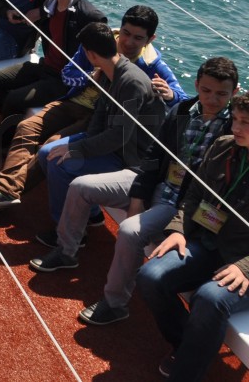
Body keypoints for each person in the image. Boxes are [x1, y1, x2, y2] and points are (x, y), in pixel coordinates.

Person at [32, 57, 236, 324]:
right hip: (155, 181)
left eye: (222, 94)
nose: (212, 99)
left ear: (235, 93)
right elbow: (153, 156)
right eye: (206, 90)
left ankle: (115, 303)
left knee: (130, 231)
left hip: (180, 204)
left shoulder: (236, 128)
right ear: (196, 85)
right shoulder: (183, 110)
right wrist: (138, 198)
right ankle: (66, 251)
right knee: (81, 186)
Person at [0, 6, 187, 211]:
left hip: (98, 115)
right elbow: (67, 73)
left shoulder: (153, 66)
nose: (128, 42)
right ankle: (6, 189)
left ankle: (7, 190)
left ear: (151, 40)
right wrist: (89, 78)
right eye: (126, 33)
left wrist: (170, 95)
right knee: (27, 127)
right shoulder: (100, 41)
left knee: (51, 145)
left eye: (138, 38)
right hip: (73, 102)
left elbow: (184, 102)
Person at [137, 91, 249, 381]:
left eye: (245, 122)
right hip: (209, 241)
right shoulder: (223, 146)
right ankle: (190, 345)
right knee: (151, 275)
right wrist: (179, 229)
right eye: (235, 120)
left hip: (243, 261)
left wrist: (245, 266)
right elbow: (194, 195)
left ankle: (186, 371)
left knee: (209, 298)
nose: (236, 128)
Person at [34, 22, 166, 226]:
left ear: (90, 54)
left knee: (59, 164)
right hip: (111, 145)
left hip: (127, 155)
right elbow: (100, 115)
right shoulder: (107, 72)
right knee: (46, 153)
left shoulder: (132, 84)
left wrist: (78, 149)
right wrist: (81, 141)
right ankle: (92, 215)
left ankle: (64, 227)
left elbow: (119, 136)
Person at [0, 0, 107, 148]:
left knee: (14, 98)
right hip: (45, 66)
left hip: (63, 80)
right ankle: (14, 129)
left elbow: (102, 56)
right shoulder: (52, 1)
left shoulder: (88, 16)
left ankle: (4, 142)